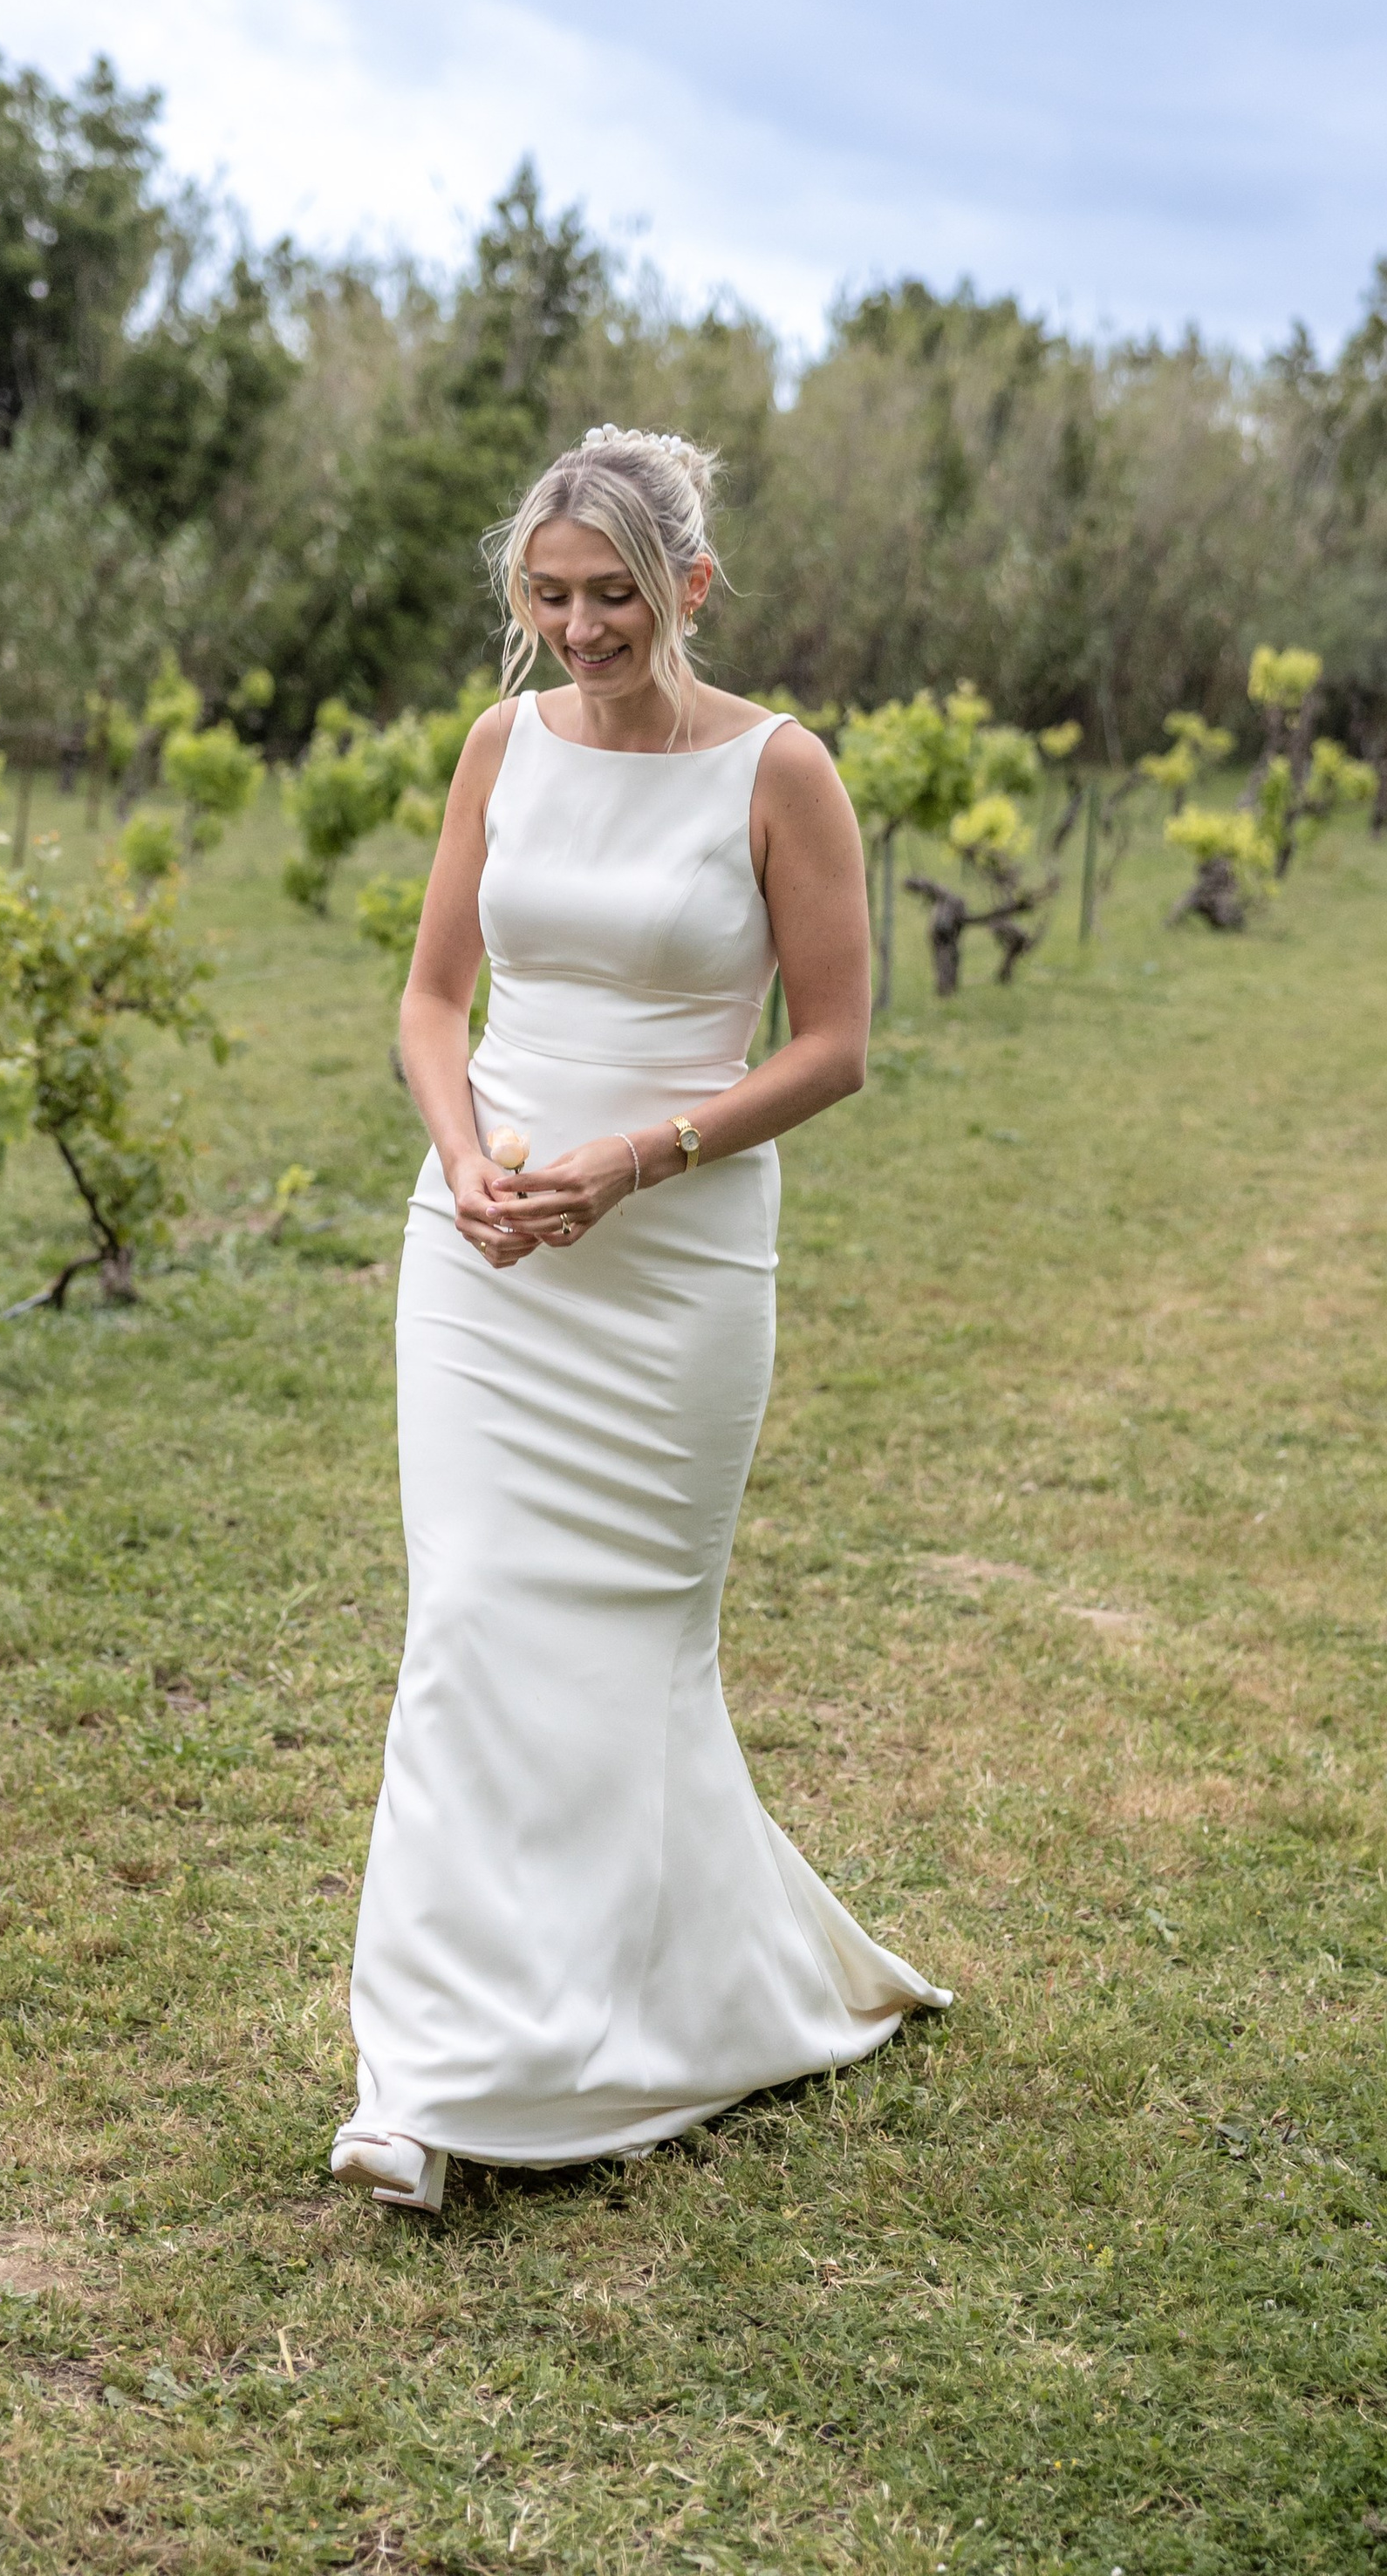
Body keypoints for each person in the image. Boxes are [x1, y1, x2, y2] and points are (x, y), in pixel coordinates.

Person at [331, 426, 948, 2216]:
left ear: (683, 585)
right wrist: (464, 1164)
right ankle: (427, 2075)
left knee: (624, 1642)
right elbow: (434, 995)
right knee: (463, 1615)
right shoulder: (495, 746)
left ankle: (670, 1999)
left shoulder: (778, 769)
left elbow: (832, 1047)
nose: (578, 628)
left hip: (669, 1256)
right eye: (547, 594)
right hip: (484, 1247)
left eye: (611, 594)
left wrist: (636, 1160)